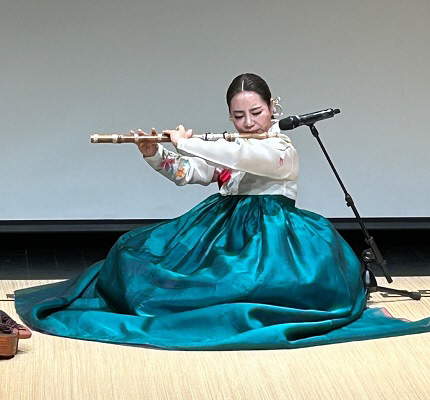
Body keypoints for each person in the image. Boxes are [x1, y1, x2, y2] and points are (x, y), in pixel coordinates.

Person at [14, 73, 430, 350]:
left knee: (241, 285)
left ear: (273, 107)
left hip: (271, 235)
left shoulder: (280, 148)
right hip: (220, 224)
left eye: (256, 112)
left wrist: (187, 140)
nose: (247, 122)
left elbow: (240, 154)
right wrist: (155, 152)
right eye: (238, 115)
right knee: (130, 250)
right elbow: (190, 172)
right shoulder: (234, 143)